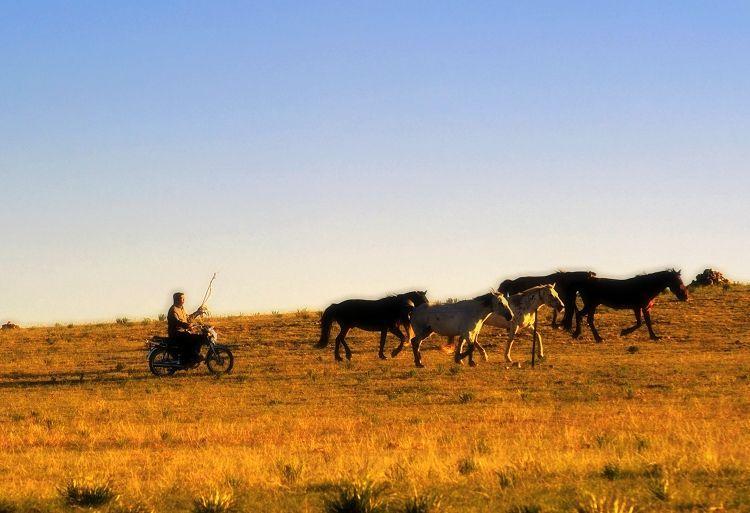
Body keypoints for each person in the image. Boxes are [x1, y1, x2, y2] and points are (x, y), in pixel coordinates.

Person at [167, 292, 207, 365]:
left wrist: (197, 312)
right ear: (177, 299)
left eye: (184, 299)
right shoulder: (173, 310)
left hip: (182, 332)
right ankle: (193, 357)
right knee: (195, 338)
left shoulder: (181, 309)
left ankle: (192, 358)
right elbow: (177, 322)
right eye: (182, 299)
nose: (184, 300)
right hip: (176, 333)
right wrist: (187, 325)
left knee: (197, 337)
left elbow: (188, 318)